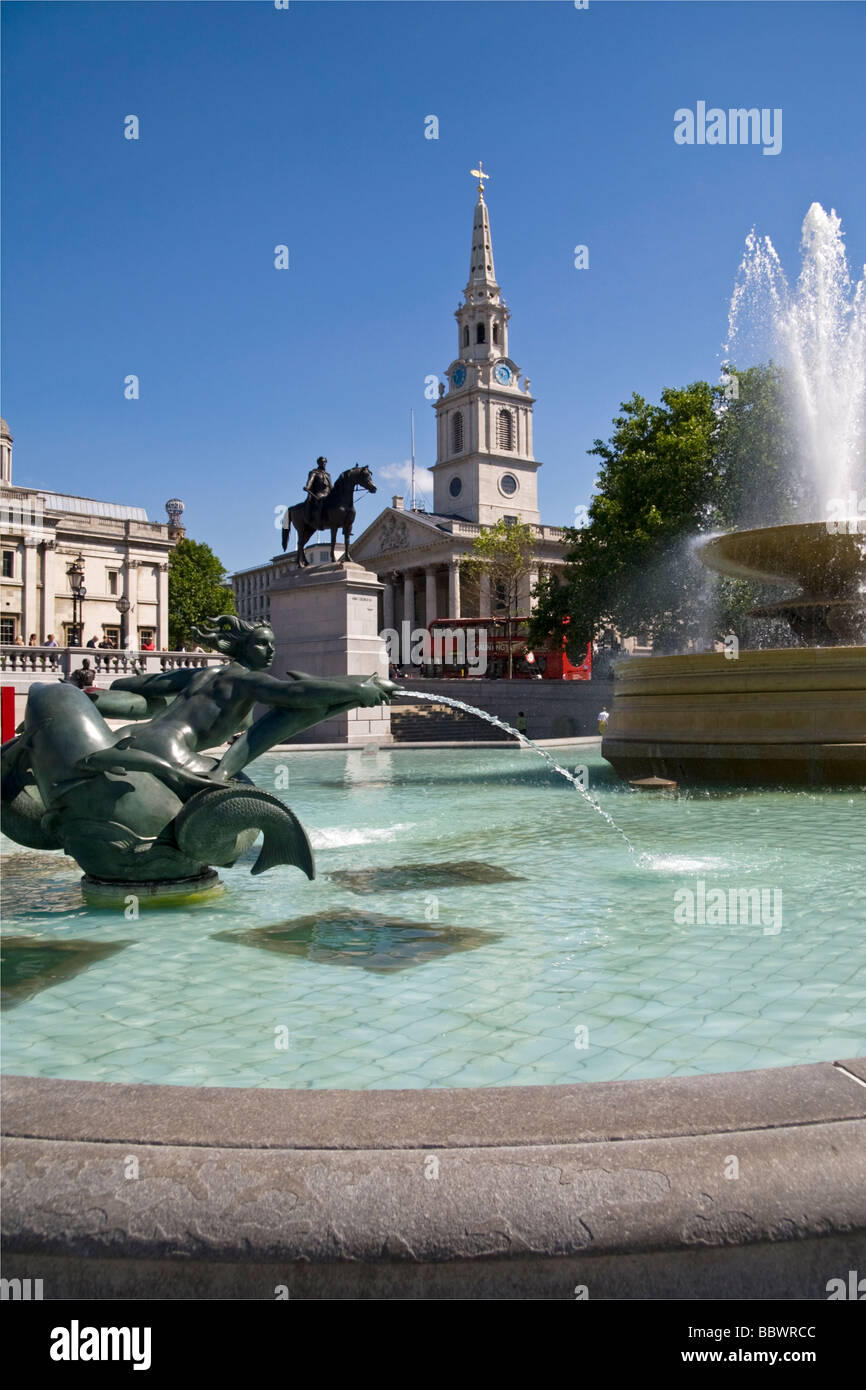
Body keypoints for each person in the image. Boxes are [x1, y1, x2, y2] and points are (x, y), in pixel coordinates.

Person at [302, 456, 332, 533]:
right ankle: (319, 522)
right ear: (318, 463)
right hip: (319, 494)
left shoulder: (328, 474)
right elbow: (310, 481)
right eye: (322, 462)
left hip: (328, 495)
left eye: (325, 462)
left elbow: (330, 486)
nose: (324, 463)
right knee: (321, 503)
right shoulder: (314, 473)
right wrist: (307, 487)